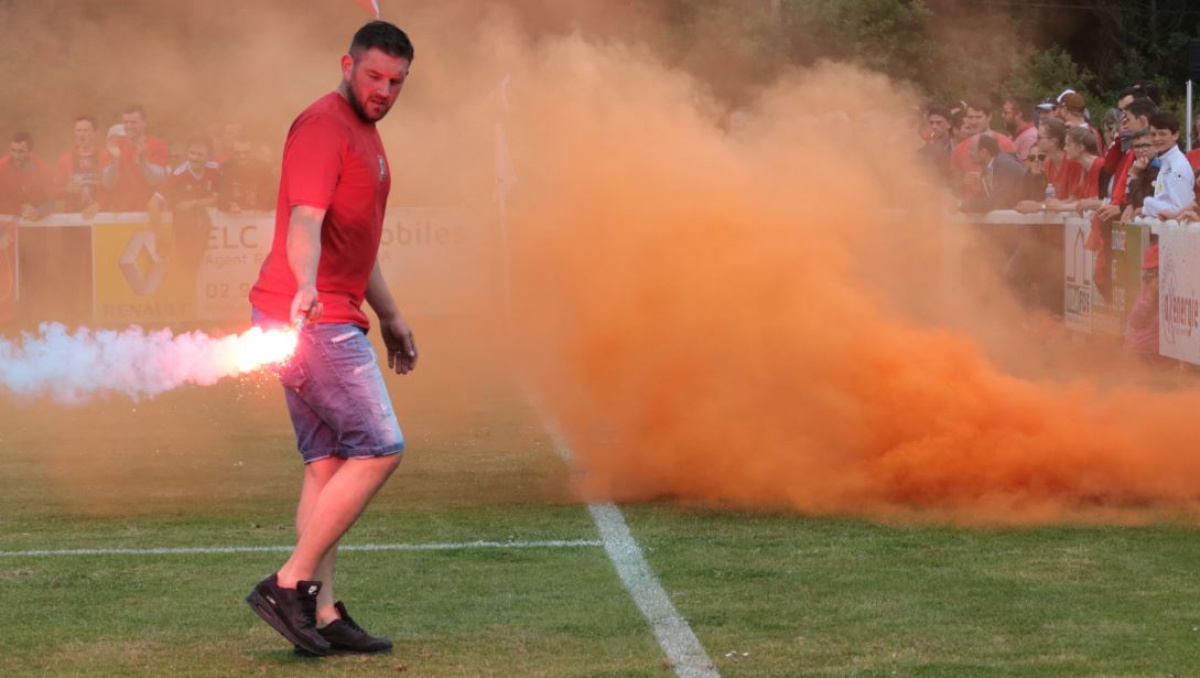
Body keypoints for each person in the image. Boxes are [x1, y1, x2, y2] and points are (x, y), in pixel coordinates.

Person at [245, 21, 417, 657]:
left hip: (319, 311)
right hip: (310, 317)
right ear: (348, 65)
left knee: (328, 464)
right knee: (379, 447)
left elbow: (355, 243)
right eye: (373, 76)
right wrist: (306, 284)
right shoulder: (323, 125)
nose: (383, 91)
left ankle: (319, 611)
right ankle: (289, 584)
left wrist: (391, 316)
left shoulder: (365, 133)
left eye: (396, 82)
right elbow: (307, 221)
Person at [149, 136, 219, 273]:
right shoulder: (177, 175)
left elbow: (221, 198)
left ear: (208, 156)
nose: (195, 158)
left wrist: (194, 203)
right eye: (192, 153)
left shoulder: (215, 169)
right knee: (184, 269)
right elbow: (152, 204)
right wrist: (161, 236)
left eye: (200, 155)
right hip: (183, 235)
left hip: (207, 235)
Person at [102, 104, 169, 212]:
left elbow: (155, 181)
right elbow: (108, 184)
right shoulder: (115, 145)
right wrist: (115, 162)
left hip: (149, 212)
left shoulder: (158, 145)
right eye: (125, 122)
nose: (128, 126)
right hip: (121, 213)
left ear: (144, 123)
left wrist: (143, 161)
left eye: (133, 122)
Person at [1141, 111, 1195, 219]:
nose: (1157, 139)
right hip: (1165, 227)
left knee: (1147, 201)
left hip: (1177, 228)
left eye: (1162, 134)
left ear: (1175, 135)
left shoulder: (1177, 166)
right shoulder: (1167, 162)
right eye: (1153, 134)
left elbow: (1180, 209)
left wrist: (1146, 207)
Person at [1124, 245, 1171, 368]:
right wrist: (1150, 297)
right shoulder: (1148, 290)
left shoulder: (1174, 288)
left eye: (1156, 272)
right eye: (1150, 272)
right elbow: (1134, 321)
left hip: (1161, 353)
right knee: (1133, 346)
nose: (1153, 277)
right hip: (1146, 350)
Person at [57, 115, 111, 218]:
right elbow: (54, 192)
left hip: (101, 217)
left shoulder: (106, 156)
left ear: (94, 133)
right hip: (73, 218)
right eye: (78, 130)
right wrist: (66, 189)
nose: (81, 134)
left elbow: (114, 189)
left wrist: (99, 204)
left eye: (86, 130)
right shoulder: (64, 160)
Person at [961, 134, 1026, 212]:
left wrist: (961, 205)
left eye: (971, 149)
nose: (968, 153)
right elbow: (982, 197)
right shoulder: (990, 167)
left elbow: (995, 203)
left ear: (983, 152)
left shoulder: (1005, 166)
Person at [0, 132, 55, 220]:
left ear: (30, 152)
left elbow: (50, 200)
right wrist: (18, 209)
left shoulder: (43, 168)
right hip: (7, 220)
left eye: (21, 151)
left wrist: (39, 212)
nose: (16, 156)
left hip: (35, 220)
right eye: (13, 150)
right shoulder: (2, 167)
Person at [216, 138, 275, 212]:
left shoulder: (264, 169)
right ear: (232, 152)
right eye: (237, 153)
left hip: (260, 214)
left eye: (246, 153)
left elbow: (272, 196)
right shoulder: (226, 169)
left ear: (253, 152)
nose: (242, 156)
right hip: (232, 215)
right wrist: (228, 204)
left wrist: (262, 202)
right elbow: (221, 195)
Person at [1002, 95, 1039, 160]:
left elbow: (1026, 166)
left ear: (1019, 115)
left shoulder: (1029, 139)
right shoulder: (1017, 135)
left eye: (1006, 113)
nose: (1002, 115)